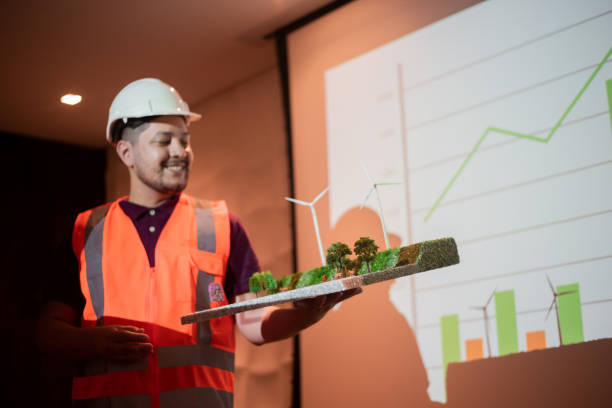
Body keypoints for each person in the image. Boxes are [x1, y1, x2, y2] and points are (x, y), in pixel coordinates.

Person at [36, 78, 360, 407]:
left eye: (185, 140)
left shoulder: (223, 224)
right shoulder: (87, 229)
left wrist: (310, 314)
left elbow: (254, 324)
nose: (180, 151)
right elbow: (48, 332)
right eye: (165, 141)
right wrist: (92, 343)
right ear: (126, 152)